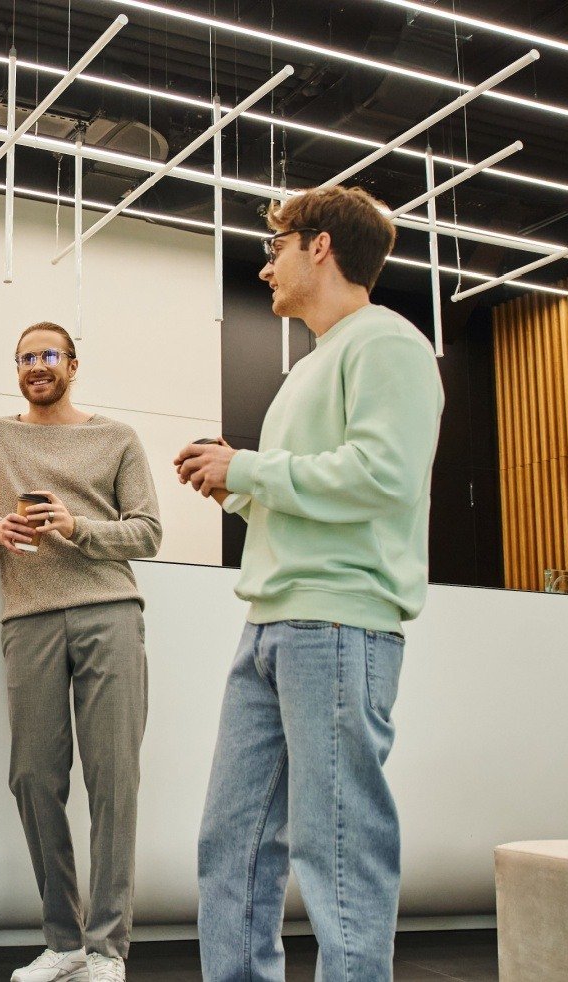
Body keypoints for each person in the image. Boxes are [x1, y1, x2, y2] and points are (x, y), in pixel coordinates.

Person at [176, 185, 444, 982]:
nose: (265, 269)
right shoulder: (314, 367)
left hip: (338, 625)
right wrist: (244, 489)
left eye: (275, 248)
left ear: (318, 246)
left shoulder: (388, 344)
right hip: (272, 624)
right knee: (232, 846)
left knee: (339, 850)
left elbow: (383, 477)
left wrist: (252, 469)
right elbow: (322, 493)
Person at [0, 322, 162, 982]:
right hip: (28, 620)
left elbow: (148, 532)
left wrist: (76, 528)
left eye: (47, 356)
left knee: (113, 781)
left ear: (72, 364)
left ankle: (107, 949)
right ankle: (64, 940)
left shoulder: (117, 438)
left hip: (109, 614)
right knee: (34, 776)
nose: (35, 366)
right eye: (24, 358)